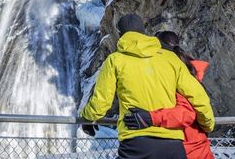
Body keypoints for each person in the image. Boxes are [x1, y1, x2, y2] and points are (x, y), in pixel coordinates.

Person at [80, 13, 215, 159]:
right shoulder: (170, 58)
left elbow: (101, 103)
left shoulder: (115, 60)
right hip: (173, 143)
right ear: (144, 32)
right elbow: (198, 97)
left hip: (136, 141)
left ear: (120, 34)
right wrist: (208, 124)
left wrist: (87, 118)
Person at [124, 31, 214, 159]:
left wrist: (151, 118)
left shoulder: (175, 72)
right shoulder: (184, 70)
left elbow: (186, 113)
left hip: (187, 150)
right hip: (193, 148)